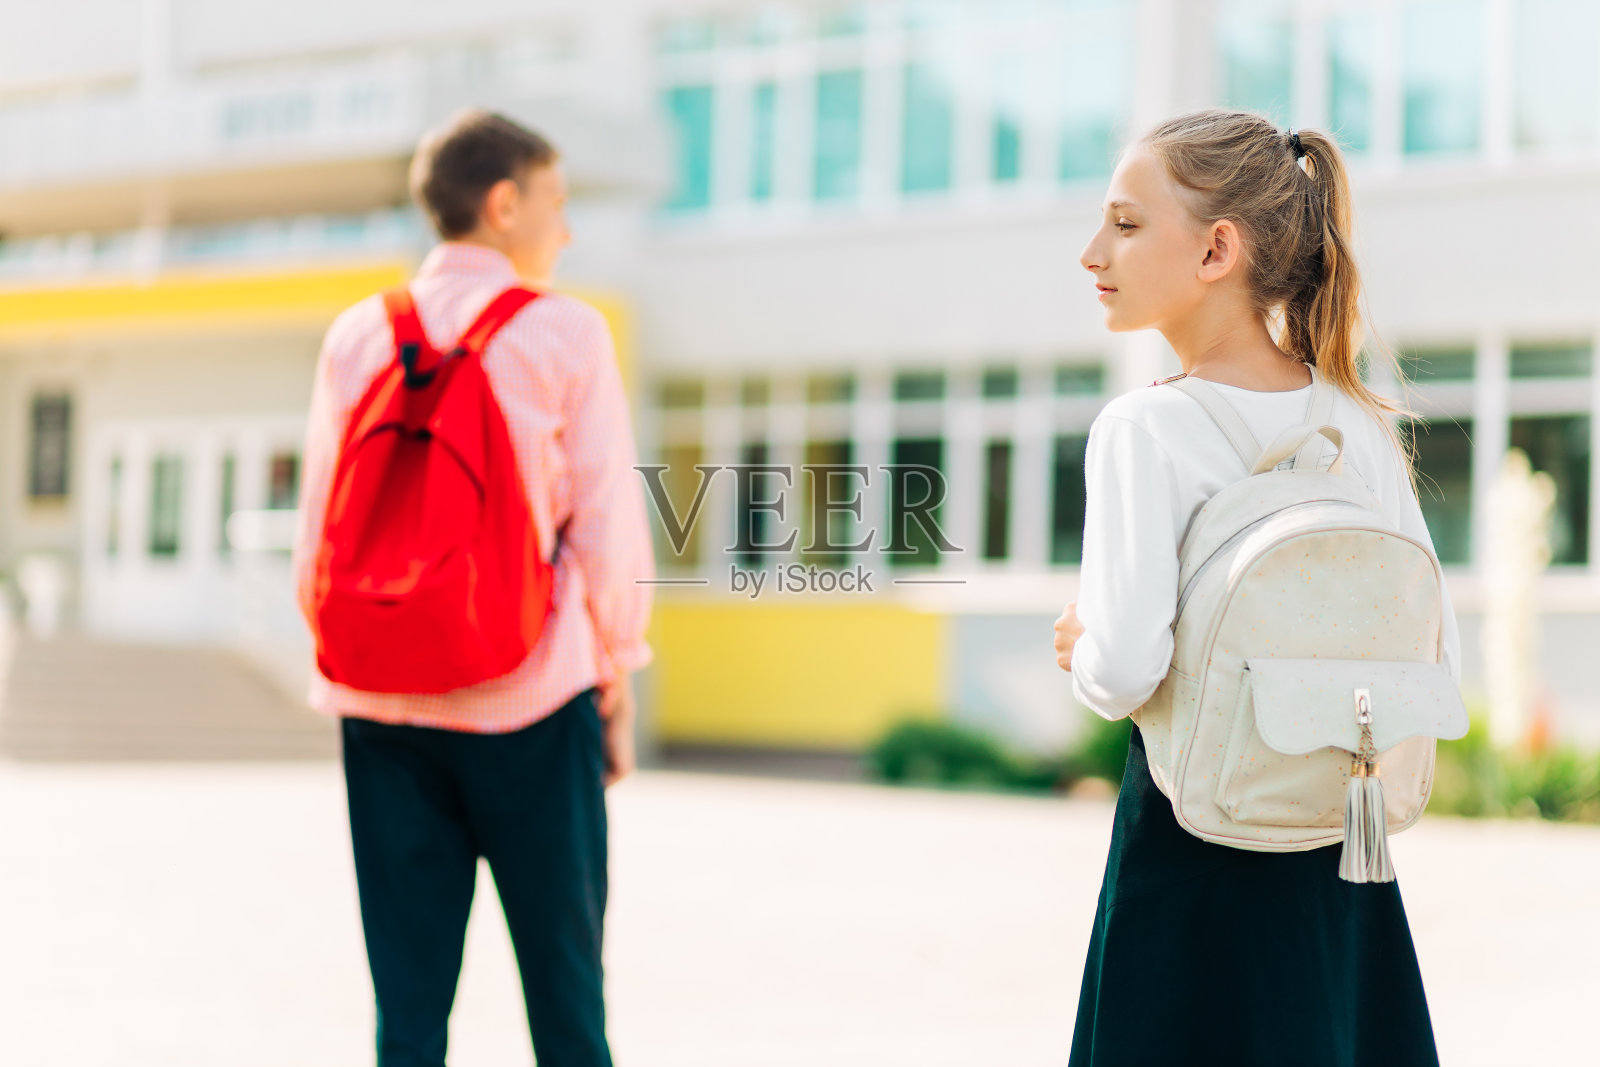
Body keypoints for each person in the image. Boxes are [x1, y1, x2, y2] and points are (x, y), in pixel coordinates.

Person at [1052, 109, 1461, 1066]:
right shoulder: (1358, 423)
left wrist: (1082, 647)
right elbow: (1432, 646)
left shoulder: (1145, 429)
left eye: (1124, 222)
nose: (1092, 251)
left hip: (1195, 845)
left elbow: (1121, 672)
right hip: (1338, 846)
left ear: (1216, 251)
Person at [292, 109, 655, 1067]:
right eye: (557, 204)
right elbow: (608, 532)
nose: (565, 231)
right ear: (504, 205)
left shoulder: (358, 333)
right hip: (529, 696)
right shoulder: (568, 331)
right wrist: (614, 675)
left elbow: (316, 538)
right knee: (567, 1001)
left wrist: (367, 652)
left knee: (406, 1012)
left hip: (380, 708)